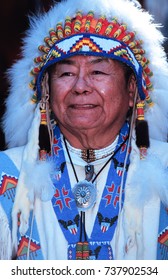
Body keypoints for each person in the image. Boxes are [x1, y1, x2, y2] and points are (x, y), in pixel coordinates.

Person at [0, 0, 168, 260]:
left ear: (132, 89)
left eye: (98, 71)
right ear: (46, 89)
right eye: (66, 74)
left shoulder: (164, 168)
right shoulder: (10, 173)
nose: (80, 86)